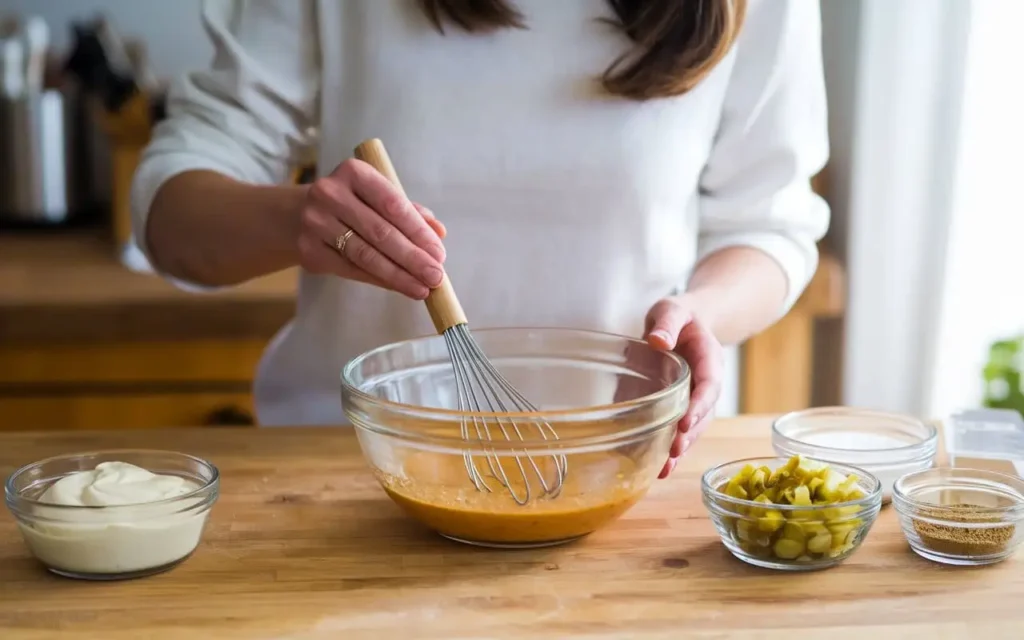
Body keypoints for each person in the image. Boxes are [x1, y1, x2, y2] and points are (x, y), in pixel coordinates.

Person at [131, 0, 830, 479]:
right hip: (346, 475)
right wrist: (296, 220)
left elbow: (769, 224)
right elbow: (171, 221)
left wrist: (702, 310)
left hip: (623, 468)